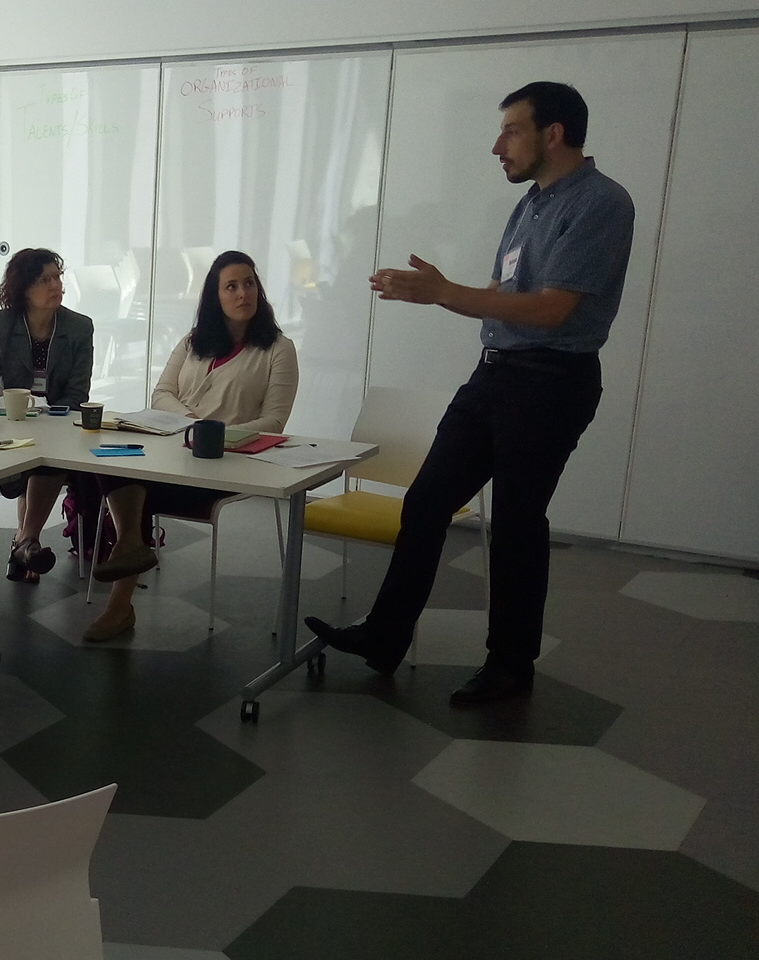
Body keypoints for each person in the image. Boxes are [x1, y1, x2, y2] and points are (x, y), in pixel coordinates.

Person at [307, 81, 633, 704]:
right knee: (426, 501)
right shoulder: (530, 204)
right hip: (496, 374)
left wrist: (444, 292)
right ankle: (385, 635)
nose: (496, 146)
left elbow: (552, 310)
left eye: (511, 130)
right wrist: (436, 294)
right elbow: (502, 294)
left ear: (554, 134)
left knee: (515, 525)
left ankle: (511, 667)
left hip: (552, 382)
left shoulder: (601, 203)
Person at [83, 251, 297, 641]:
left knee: (138, 490)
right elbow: (162, 393)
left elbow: (274, 422)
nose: (243, 293)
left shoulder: (279, 349)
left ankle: (119, 602)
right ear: (215, 296)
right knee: (112, 459)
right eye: (231, 286)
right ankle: (129, 546)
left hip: (225, 462)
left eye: (249, 283)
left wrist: (216, 435)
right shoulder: (193, 342)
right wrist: (190, 422)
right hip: (173, 449)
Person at [0, 248, 96, 583]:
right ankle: (25, 545)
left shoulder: (79, 328)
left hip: (59, 427)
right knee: (36, 454)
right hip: (13, 426)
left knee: (46, 456)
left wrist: (48, 419)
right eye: (44, 280)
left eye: (57, 278)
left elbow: (77, 394)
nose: (55, 286)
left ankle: (25, 541)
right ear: (24, 288)